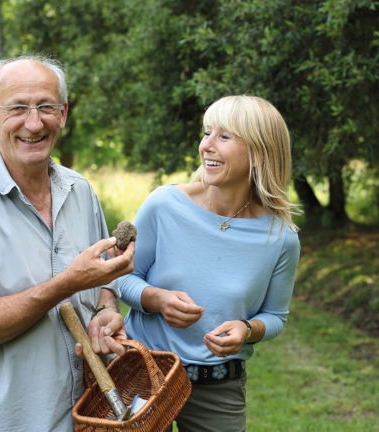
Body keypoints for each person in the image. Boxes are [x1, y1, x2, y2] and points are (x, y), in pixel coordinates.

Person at [0, 55, 135, 432]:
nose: (34, 123)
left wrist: (105, 308)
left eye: (46, 108)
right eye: (18, 108)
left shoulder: (79, 191)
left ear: (64, 113)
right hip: (2, 422)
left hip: (80, 417)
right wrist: (67, 285)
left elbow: (103, 280)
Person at [118, 95, 301, 432]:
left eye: (224, 136)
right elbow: (125, 278)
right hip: (141, 374)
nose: (207, 146)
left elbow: (275, 317)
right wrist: (158, 300)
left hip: (218, 386)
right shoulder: (164, 204)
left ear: (259, 153)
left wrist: (247, 331)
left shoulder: (281, 237)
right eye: (206, 133)